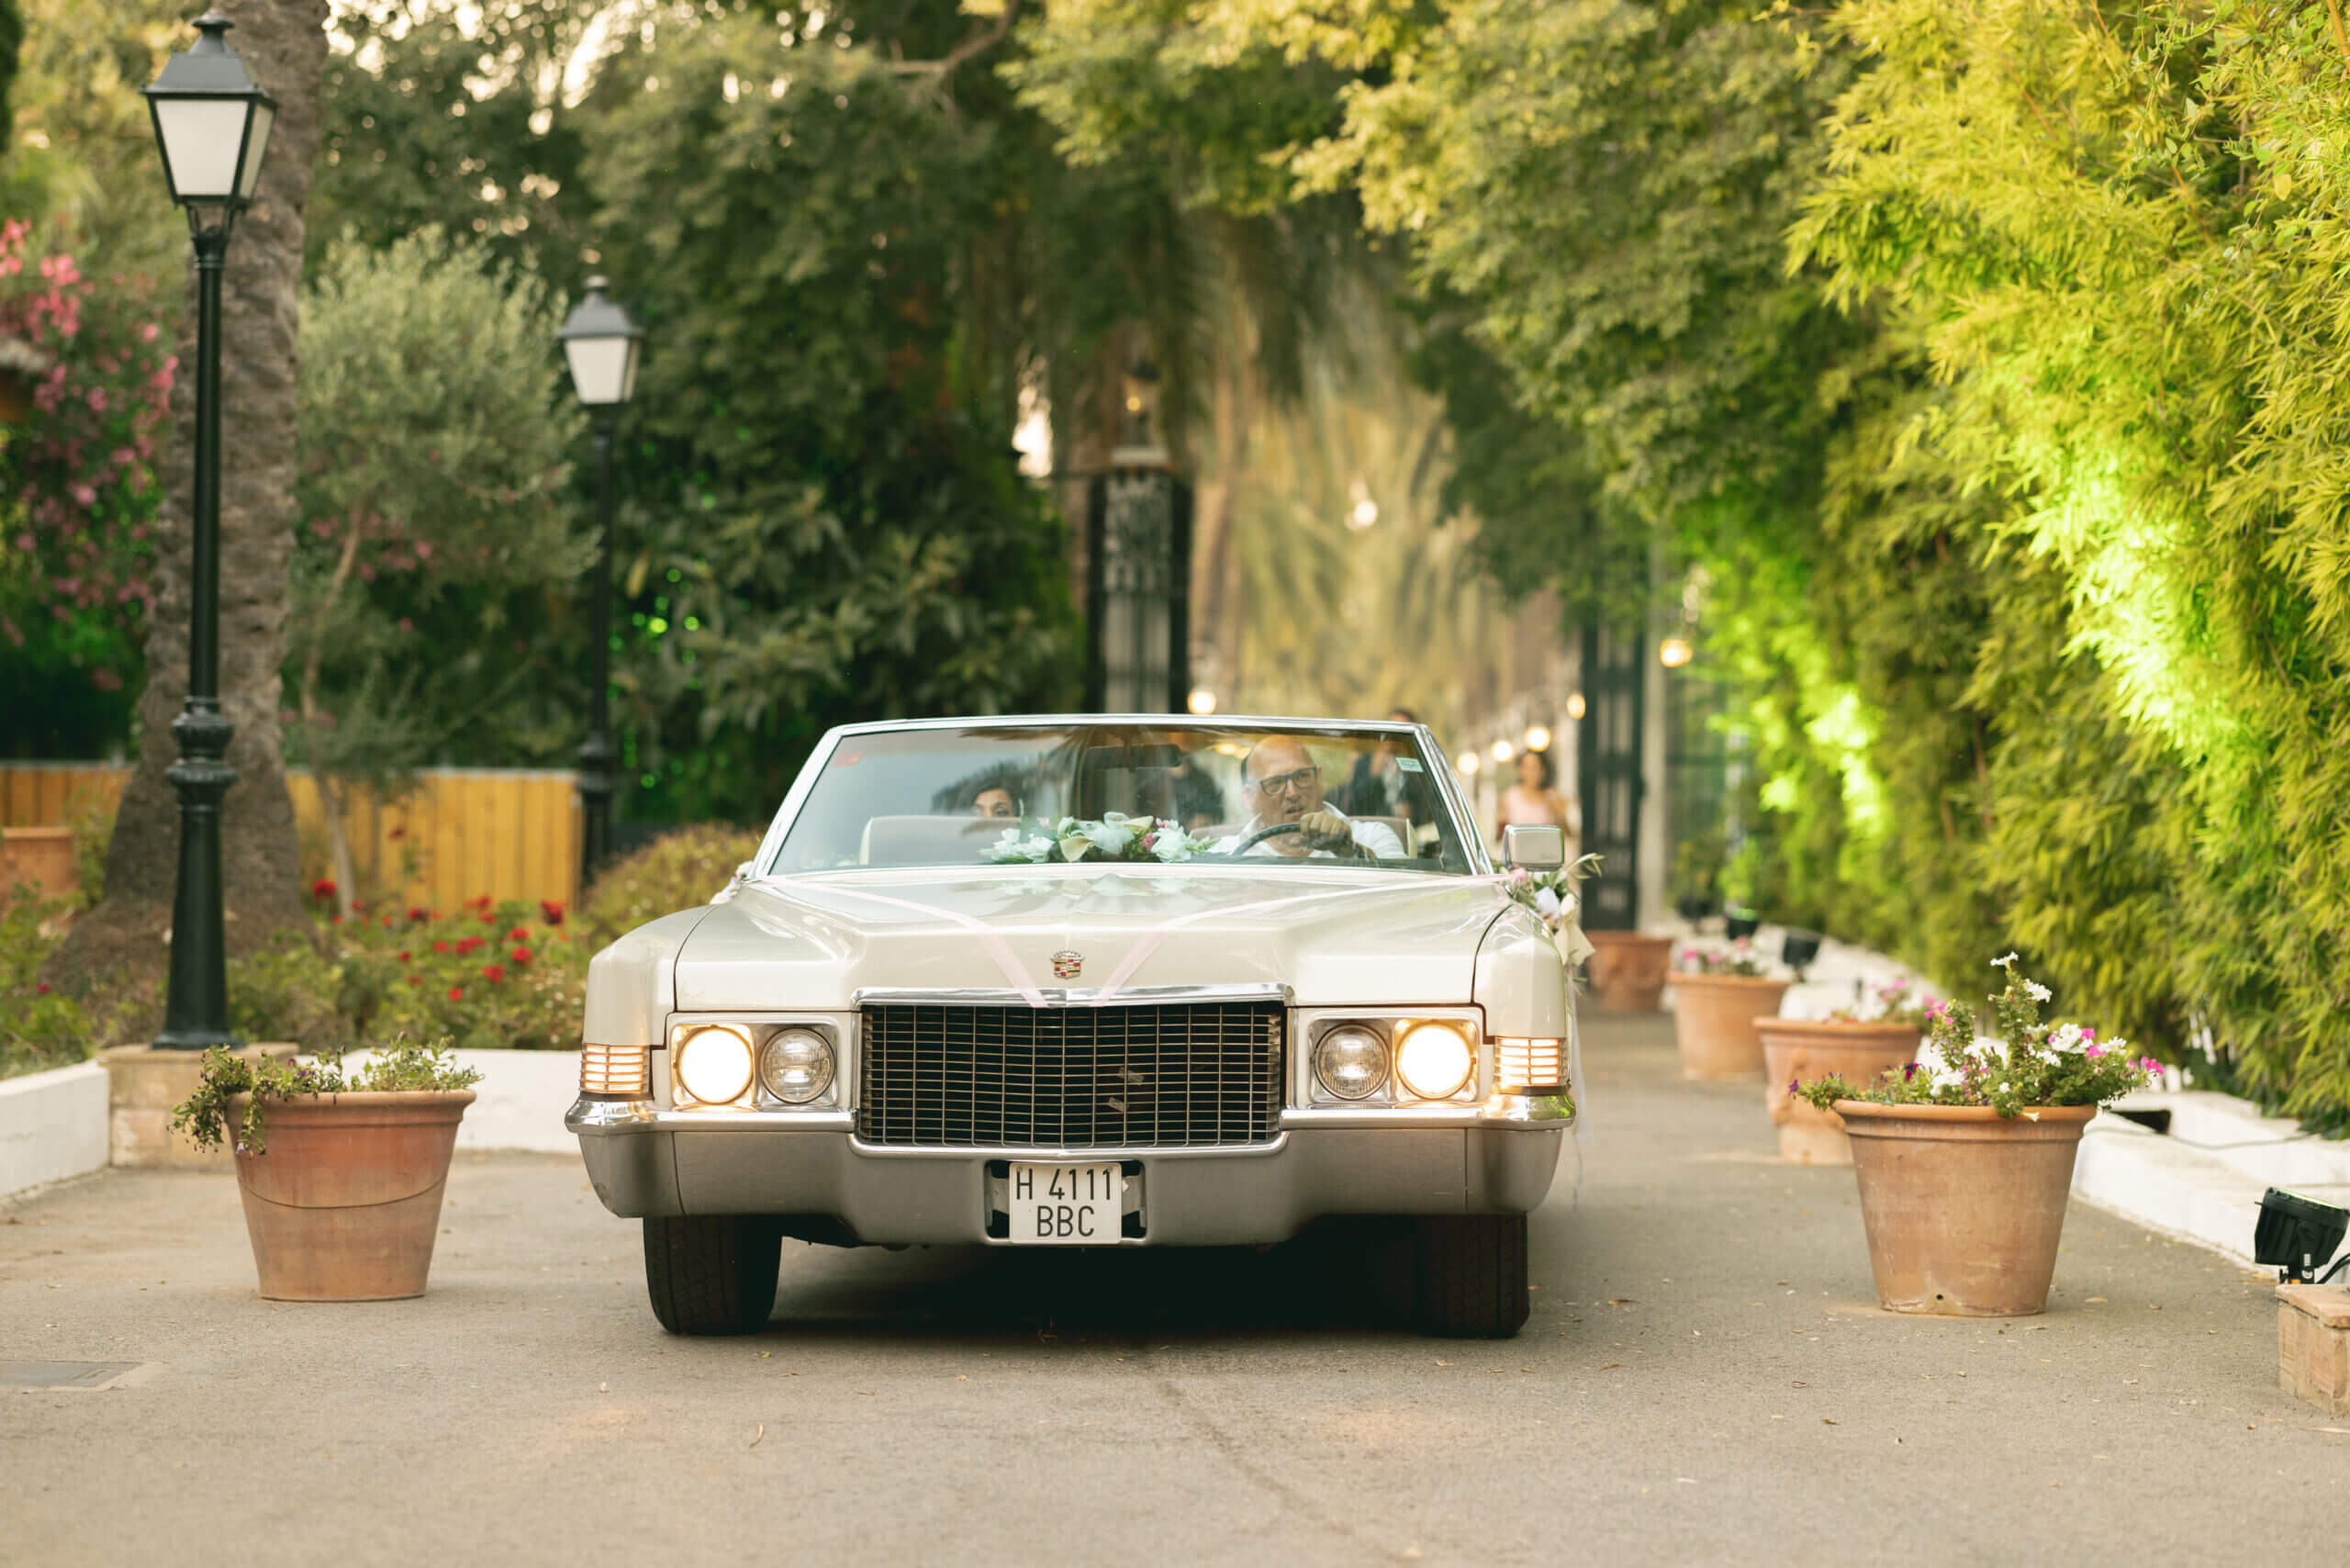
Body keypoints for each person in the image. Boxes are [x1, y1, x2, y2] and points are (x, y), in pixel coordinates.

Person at [1214, 735, 1405, 860]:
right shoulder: (1224, 854)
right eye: (1276, 783)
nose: (1292, 792)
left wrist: (1349, 851)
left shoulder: (1372, 837)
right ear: (1249, 798)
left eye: (1302, 777)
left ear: (1319, 779)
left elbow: (1404, 900)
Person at [1340, 707, 1441, 830]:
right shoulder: (1365, 763)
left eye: (1402, 731)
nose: (1395, 737)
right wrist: (1375, 770)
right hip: (1372, 830)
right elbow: (1354, 801)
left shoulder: (1418, 765)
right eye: (1392, 729)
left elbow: (1432, 808)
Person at [1496, 746, 1578, 854]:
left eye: (1536, 767)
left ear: (1543, 770)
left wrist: (1558, 814)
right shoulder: (1509, 797)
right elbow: (1499, 837)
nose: (1531, 773)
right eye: (1527, 768)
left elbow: (1569, 835)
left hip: (1546, 857)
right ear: (1519, 770)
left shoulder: (1553, 797)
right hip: (1518, 857)